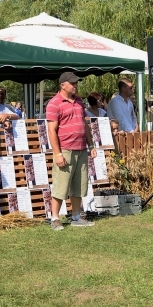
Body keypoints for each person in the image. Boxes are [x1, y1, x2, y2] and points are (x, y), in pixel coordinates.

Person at [46, 72, 96, 230]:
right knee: (61, 186)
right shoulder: (54, 103)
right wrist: (58, 154)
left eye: (76, 83)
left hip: (81, 148)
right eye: (72, 83)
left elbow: (84, 124)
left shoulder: (79, 101)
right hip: (65, 150)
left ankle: (76, 216)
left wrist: (91, 145)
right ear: (62, 85)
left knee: (79, 185)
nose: (75, 85)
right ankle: (54, 218)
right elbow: (52, 131)